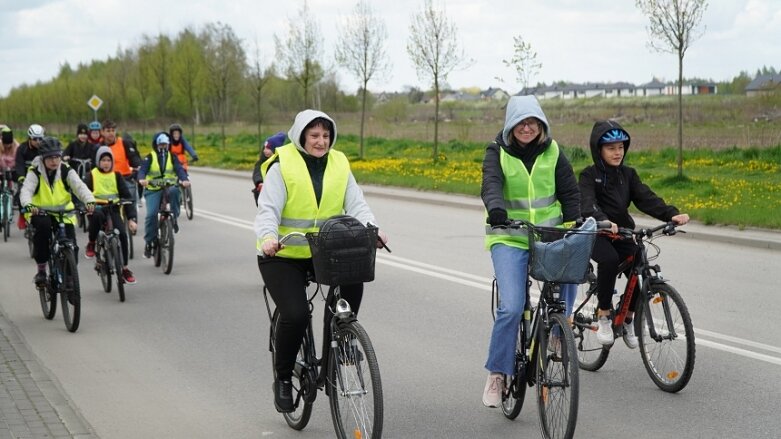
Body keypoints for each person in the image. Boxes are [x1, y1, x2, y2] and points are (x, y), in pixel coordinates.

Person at [254, 109, 388, 413]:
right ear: (301, 136)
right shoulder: (282, 164)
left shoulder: (339, 163)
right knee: (297, 314)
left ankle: (338, 346)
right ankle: (284, 378)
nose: (321, 141)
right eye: (314, 135)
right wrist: (267, 238)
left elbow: (357, 203)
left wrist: (372, 231)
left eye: (326, 135)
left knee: (354, 279)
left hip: (323, 252)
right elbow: (268, 210)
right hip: (283, 254)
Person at [481, 95, 581, 408]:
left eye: (533, 122)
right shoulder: (496, 151)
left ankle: (557, 329)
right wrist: (496, 208)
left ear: (541, 124)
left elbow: (569, 191)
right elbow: (491, 185)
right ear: (511, 124)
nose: (527, 128)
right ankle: (497, 373)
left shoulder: (553, 151)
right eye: (521, 122)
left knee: (572, 271)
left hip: (548, 235)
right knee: (511, 307)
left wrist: (575, 219)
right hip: (509, 237)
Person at [579, 120, 689, 348]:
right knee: (608, 260)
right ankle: (604, 315)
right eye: (611, 148)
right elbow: (587, 203)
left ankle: (628, 318)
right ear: (598, 150)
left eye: (620, 147)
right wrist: (602, 221)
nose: (617, 152)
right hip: (596, 233)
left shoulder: (628, 174)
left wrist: (671, 214)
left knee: (641, 265)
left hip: (624, 233)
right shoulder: (589, 175)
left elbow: (646, 199)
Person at [20, 137, 95, 285]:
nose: (54, 161)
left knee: (71, 244)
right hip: (40, 212)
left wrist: (89, 200)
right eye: (50, 158)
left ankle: (69, 277)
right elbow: (26, 191)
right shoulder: (35, 172)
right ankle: (41, 270)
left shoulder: (66, 170)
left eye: (57, 157)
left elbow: (79, 186)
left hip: (64, 212)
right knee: (43, 230)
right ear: (42, 158)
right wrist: (28, 205)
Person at [85, 146, 138, 284]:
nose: (106, 163)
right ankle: (91, 243)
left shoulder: (117, 175)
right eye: (103, 160)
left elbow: (127, 198)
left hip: (113, 210)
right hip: (97, 209)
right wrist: (85, 205)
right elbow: (83, 193)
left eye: (109, 160)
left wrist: (132, 218)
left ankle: (125, 269)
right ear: (98, 161)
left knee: (122, 234)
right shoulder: (91, 175)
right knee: (96, 218)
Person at [137, 132, 190, 258]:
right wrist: (142, 179)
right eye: (161, 144)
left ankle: (174, 217)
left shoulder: (172, 157)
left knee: (175, 191)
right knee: (151, 215)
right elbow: (142, 170)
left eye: (165, 144)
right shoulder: (150, 157)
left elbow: (179, 169)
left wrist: (184, 179)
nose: (163, 147)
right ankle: (149, 242)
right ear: (156, 145)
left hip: (168, 186)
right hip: (153, 189)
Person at [14, 124, 46, 230]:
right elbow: (19, 164)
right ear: (29, 138)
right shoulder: (22, 149)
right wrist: (21, 177)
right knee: (21, 193)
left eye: (40, 139)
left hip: (41, 176)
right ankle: (22, 215)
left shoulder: (44, 148)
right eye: (35, 139)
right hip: (26, 177)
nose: (38, 141)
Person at [101, 120, 141, 203]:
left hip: (125, 178)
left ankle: (132, 216)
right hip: (107, 180)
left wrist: (138, 165)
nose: (111, 133)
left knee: (130, 204)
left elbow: (133, 157)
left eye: (113, 130)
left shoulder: (124, 143)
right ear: (102, 132)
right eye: (108, 131)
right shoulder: (99, 147)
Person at [251, 131, 287, 206]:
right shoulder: (262, 161)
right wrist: (259, 182)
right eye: (265, 148)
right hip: (263, 194)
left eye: (268, 148)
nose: (265, 151)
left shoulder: (281, 163)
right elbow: (257, 172)